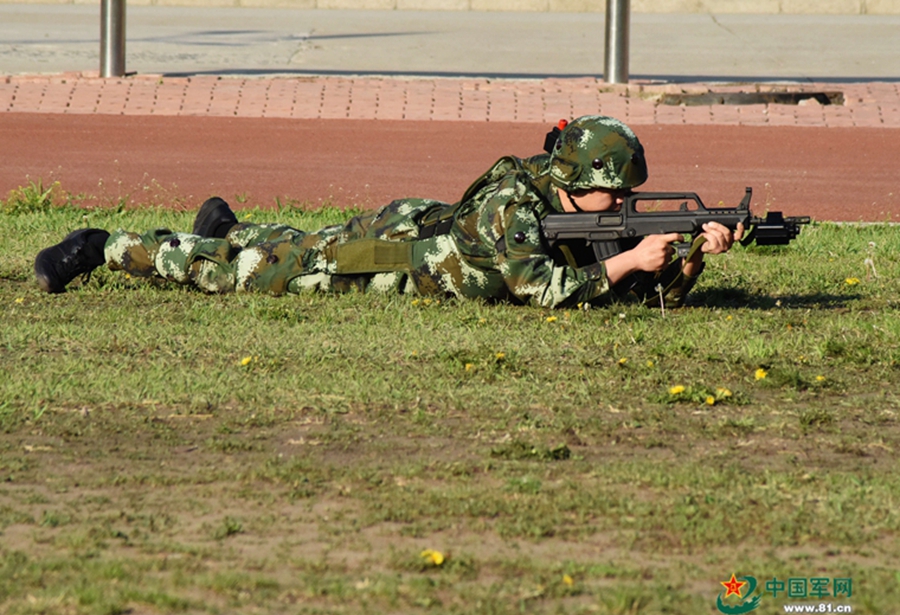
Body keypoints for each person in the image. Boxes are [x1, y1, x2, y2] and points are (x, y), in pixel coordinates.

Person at [34, 115, 742, 309]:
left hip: (417, 235)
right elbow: (542, 289)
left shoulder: (568, 201)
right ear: (572, 179)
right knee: (249, 274)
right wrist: (625, 260)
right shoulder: (513, 205)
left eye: (626, 197)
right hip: (387, 260)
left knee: (294, 241)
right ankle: (105, 245)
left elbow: (642, 294)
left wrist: (688, 260)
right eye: (612, 194)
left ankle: (226, 224)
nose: (620, 206)